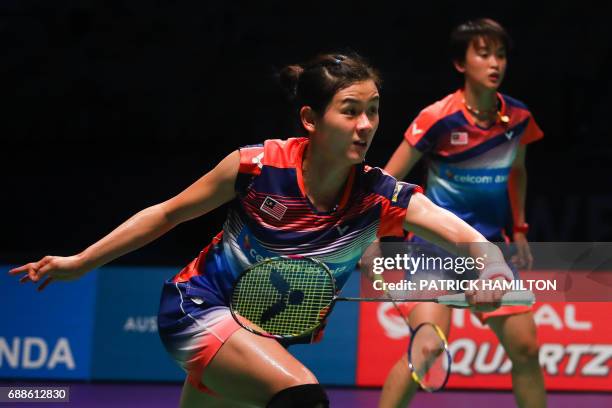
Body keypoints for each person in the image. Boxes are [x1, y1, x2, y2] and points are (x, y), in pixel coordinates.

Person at [10, 52, 513, 408]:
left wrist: (488, 265)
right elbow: (166, 215)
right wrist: (81, 262)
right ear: (310, 119)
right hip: (200, 310)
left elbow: (459, 234)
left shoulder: (377, 197)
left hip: (263, 337)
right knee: (303, 396)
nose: (366, 125)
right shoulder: (257, 167)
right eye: (351, 111)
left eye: (373, 110)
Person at [379, 19, 546, 408]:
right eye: (483, 54)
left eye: (500, 55)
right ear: (461, 63)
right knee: (427, 349)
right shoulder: (437, 117)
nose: (495, 64)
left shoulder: (518, 118)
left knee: (526, 348)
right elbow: (387, 182)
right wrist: (372, 238)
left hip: (491, 249)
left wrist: (519, 227)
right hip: (434, 249)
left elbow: (517, 170)